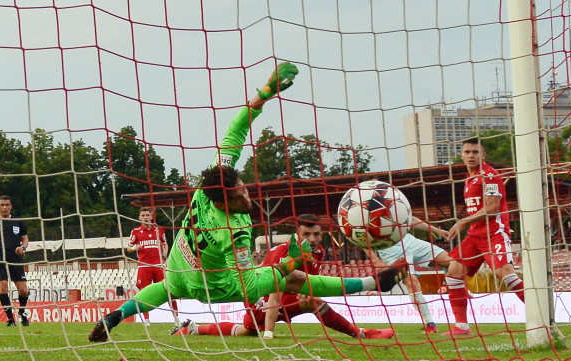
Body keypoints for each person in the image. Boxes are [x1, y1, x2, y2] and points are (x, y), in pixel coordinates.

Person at [89, 62, 408, 342]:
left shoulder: (212, 181)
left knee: (163, 288)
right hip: (218, 286)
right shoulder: (235, 232)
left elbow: (235, 129)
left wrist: (265, 93)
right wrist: (289, 265)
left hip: (181, 262)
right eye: (239, 196)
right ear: (225, 203)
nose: (246, 194)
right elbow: (248, 281)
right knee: (295, 279)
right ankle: (374, 282)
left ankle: (113, 317)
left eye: (242, 187)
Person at [171, 214, 394, 340]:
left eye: (316, 234)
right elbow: (272, 291)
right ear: (297, 235)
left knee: (248, 330)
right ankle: (361, 332)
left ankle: (193, 328)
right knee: (250, 329)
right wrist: (269, 332)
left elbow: (307, 285)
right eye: (307, 234)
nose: (313, 238)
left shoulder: (317, 252)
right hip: (261, 300)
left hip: (284, 301)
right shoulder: (286, 254)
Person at [441, 137, 525, 336]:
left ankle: (542, 315)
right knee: (454, 270)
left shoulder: (489, 176)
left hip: (494, 233)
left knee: (505, 274)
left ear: (483, 155)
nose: (471, 155)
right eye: (467, 152)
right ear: (461, 155)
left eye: (475, 152)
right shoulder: (469, 178)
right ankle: (461, 327)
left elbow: (492, 207)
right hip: (475, 236)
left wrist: (462, 221)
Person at [367, 216, 452, 334]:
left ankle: (459, 290)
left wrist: (436, 230)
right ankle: (430, 324)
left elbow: (410, 219)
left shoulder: (391, 201)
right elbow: (359, 238)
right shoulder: (362, 210)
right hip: (389, 249)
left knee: (452, 262)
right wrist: (376, 260)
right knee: (412, 283)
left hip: (409, 241)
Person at [0, 195, 30, 327]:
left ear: (11, 206)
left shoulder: (18, 221)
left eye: (7, 205)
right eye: (2, 205)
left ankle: (22, 311)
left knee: (23, 290)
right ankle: (10, 319)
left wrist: (23, 247)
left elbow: (25, 239)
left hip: (15, 259)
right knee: (3, 287)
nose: (4, 207)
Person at [127, 207, 177, 326]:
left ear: (151, 216)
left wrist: (166, 253)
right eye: (143, 215)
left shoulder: (159, 230)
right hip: (144, 266)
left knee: (169, 290)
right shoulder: (135, 232)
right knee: (144, 292)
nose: (145, 217)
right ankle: (147, 319)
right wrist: (134, 248)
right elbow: (128, 248)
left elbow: (165, 244)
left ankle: (176, 318)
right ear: (140, 217)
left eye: (147, 215)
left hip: (159, 265)